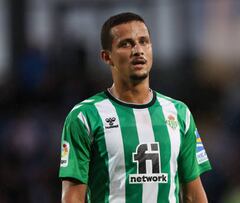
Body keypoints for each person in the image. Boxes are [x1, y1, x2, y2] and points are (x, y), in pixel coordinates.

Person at [59, 12, 211, 203]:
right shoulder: (84, 117)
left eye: (144, 41)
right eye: (126, 44)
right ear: (107, 57)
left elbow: (193, 195)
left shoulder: (180, 114)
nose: (138, 50)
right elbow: (72, 197)